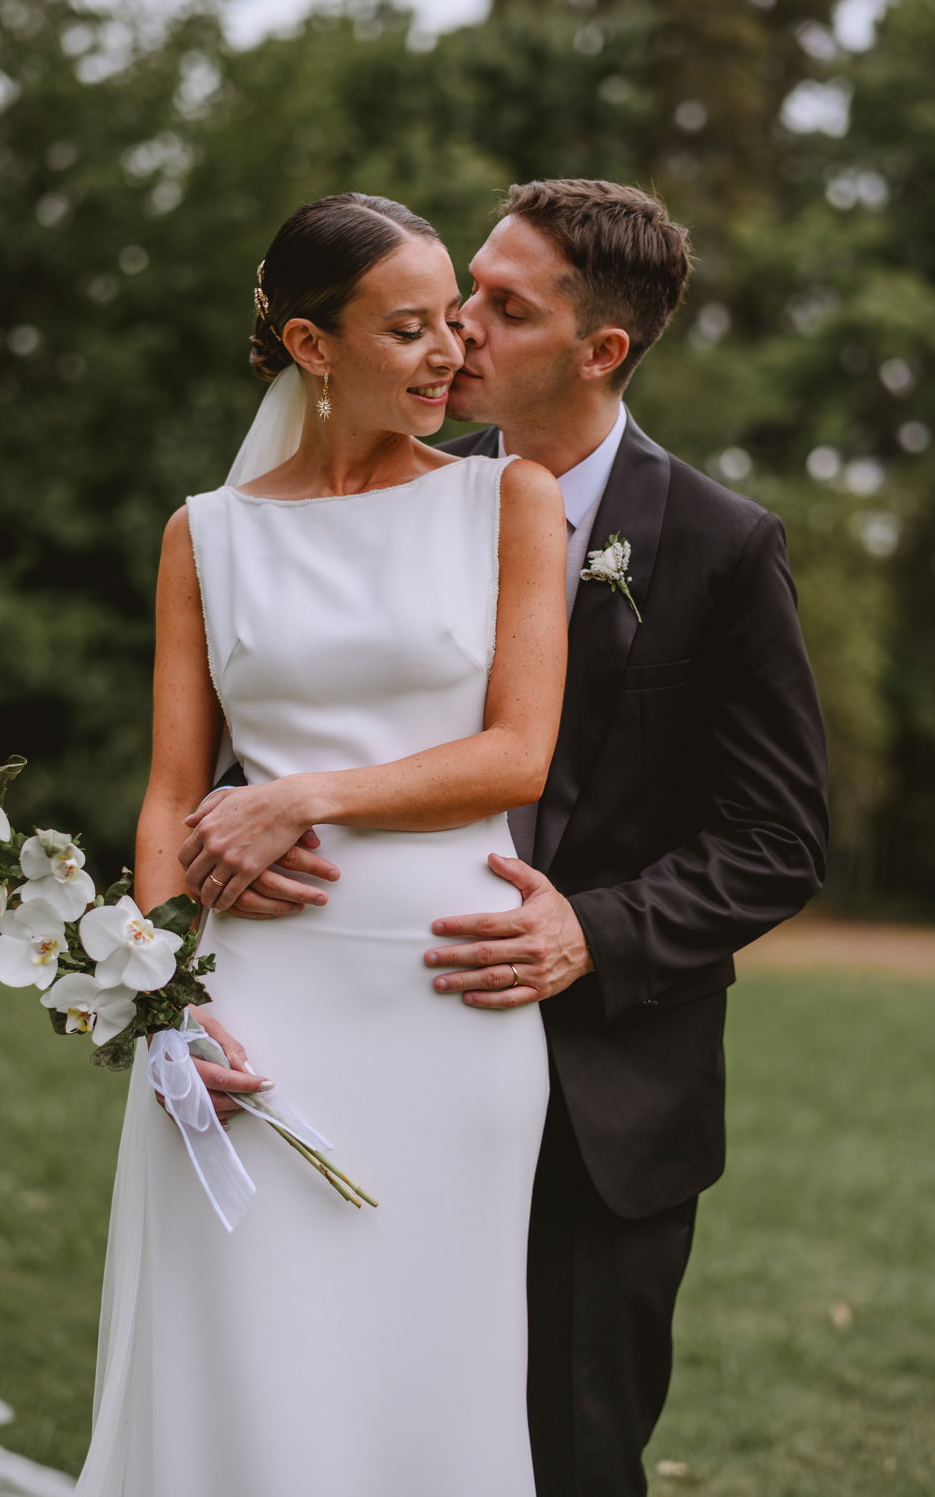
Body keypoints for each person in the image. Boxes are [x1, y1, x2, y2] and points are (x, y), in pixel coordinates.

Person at [75, 193, 568, 1497]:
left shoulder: (507, 501)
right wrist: (166, 1010)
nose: (452, 350)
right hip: (255, 1005)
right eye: (408, 327)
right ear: (310, 342)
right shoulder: (208, 536)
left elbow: (517, 754)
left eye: (453, 315)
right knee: (245, 1354)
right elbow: (172, 792)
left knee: (427, 1367)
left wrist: (302, 796)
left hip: (447, 996)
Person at [417, 179, 829, 1496]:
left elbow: (777, 835)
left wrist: (588, 931)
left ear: (603, 350)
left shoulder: (719, 547)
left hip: (606, 1109)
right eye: (467, 286)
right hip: (393, 1062)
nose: (458, 324)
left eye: (504, 305)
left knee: (572, 1457)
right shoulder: (398, 505)